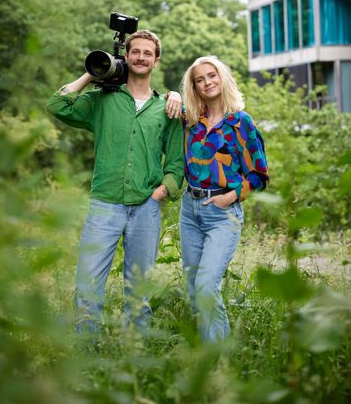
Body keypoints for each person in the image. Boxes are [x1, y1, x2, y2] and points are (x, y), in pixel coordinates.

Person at [47, 30, 184, 334]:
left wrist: (161, 192)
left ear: (156, 61)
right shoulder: (101, 101)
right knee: (88, 285)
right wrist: (92, 74)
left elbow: (176, 164)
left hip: (146, 207)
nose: (141, 58)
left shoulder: (168, 108)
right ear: (127, 56)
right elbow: (58, 105)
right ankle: (87, 356)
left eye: (148, 53)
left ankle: (134, 357)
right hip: (104, 204)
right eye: (135, 52)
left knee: (139, 290)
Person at [179, 55, 269, 342]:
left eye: (211, 75)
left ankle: (220, 358)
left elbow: (259, 174)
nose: (207, 82)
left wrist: (231, 196)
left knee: (207, 286)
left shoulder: (240, 122)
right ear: (194, 87)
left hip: (222, 213)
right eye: (200, 79)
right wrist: (170, 95)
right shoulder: (191, 121)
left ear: (222, 78)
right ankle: (207, 357)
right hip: (190, 211)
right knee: (194, 287)